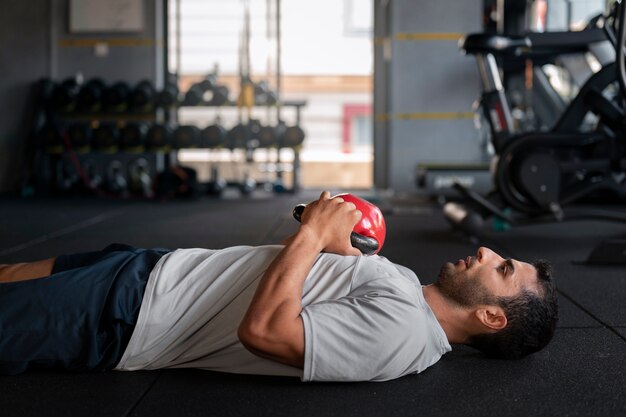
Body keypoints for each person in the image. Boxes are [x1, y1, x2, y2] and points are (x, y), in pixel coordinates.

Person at [0, 192, 558, 381]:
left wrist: (314, 233)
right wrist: (329, 241)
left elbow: (265, 331)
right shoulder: (406, 290)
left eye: (502, 269)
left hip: (128, 316)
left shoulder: (404, 335)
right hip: (152, 270)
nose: (486, 252)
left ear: (492, 318)